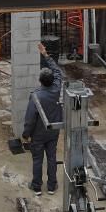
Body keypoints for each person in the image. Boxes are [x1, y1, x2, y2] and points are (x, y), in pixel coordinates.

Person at [22, 42, 64, 196]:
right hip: (53, 130)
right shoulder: (57, 88)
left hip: (38, 134)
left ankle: (37, 186)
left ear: (40, 81)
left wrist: (26, 134)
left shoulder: (36, 96)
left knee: (37, 159)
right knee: (52, 157)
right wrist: (45, 54)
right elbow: (57, 71)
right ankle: (52, 186)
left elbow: (30, 118)